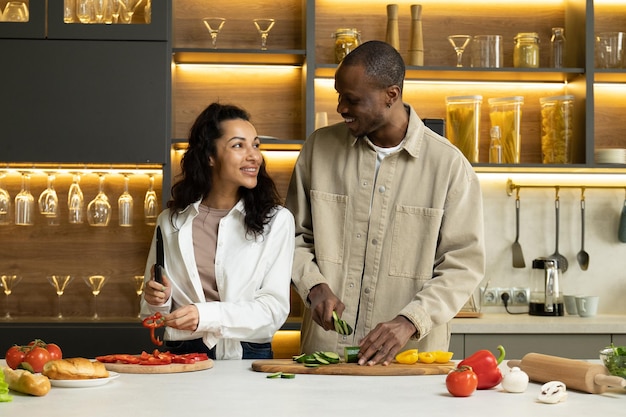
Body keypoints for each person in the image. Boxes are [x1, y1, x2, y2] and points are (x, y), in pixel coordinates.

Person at [285, 41, 485, 366]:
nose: (340, 108)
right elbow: (291, 237)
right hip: (325, 357)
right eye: (339, 95)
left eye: (352, 99)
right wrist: (313, 285)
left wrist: (410, 320)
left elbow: (462, 266)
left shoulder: (449, 167)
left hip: (409, 363)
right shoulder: (318, 150)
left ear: (391, 95)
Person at [141, 103, 295, 360]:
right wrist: (158, 301)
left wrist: (205, 315)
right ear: (209, 156)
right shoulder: (170, 222)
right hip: (181, 357)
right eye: (238, 145)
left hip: (248, 357)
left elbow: (273, 311)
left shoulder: (276, 221)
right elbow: (152, 316)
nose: (254, 156)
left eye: (255, 145)